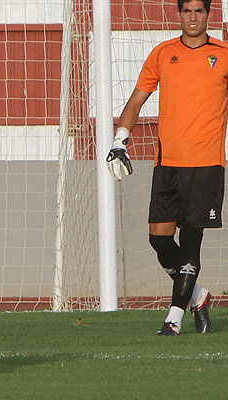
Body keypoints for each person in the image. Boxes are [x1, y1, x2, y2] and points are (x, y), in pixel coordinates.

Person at [106, 0, 223, 335]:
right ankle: (198, 296)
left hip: (206, 165)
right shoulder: (163, 53)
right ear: (179, 15)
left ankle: (173, 318)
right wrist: (120, 140)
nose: (193, 17)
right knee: (159, 239)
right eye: (187, 11)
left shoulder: (223, 55)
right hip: (167, 165)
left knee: (190, 244)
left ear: (207, 15)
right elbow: (136, 100)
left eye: (199, 11)